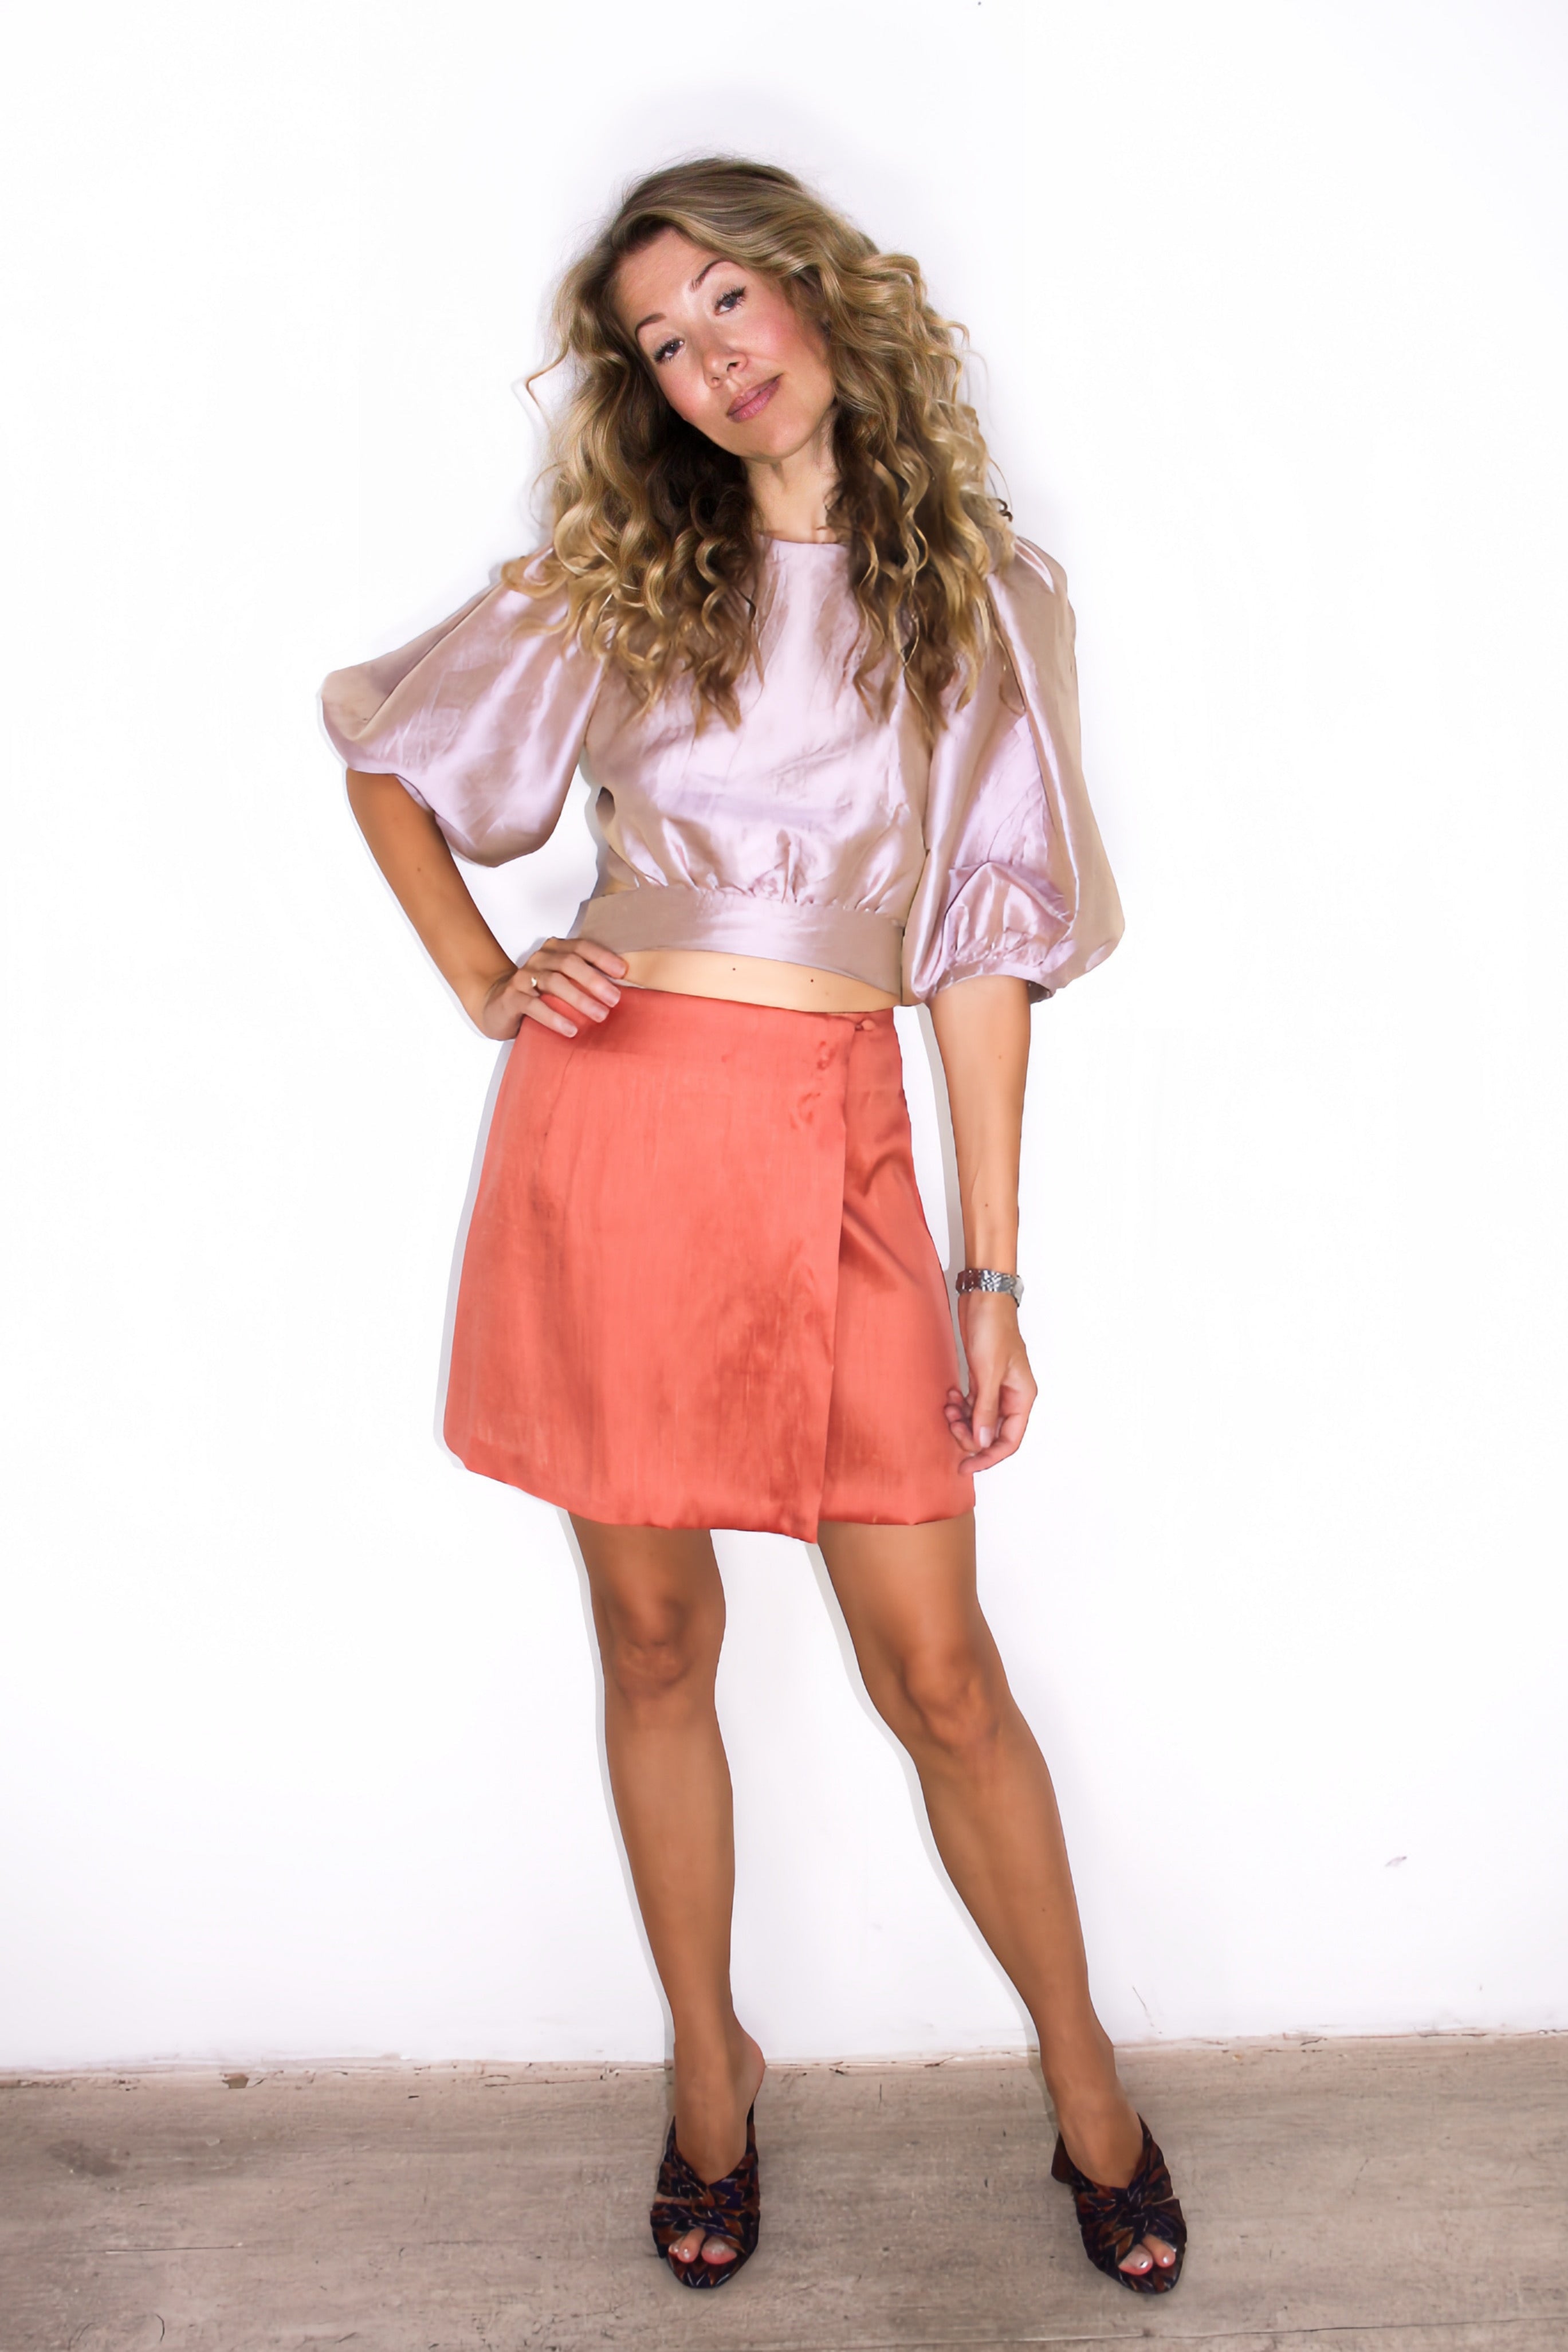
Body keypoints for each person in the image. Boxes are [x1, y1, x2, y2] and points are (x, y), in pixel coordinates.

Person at [321, 158, 1186, 2297]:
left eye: (726, 300)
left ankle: (1084, 2076)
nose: (708, 360)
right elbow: (391, 761)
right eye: (661, 340)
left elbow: (978, 957)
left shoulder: (984, 596)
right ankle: (709, 2071)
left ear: (815, 291)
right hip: (614, 1129)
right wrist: (486, 973)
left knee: (942, 1673)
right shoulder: (627, 576)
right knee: (652, 1639)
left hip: (838, 1138)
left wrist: (988, 1272)